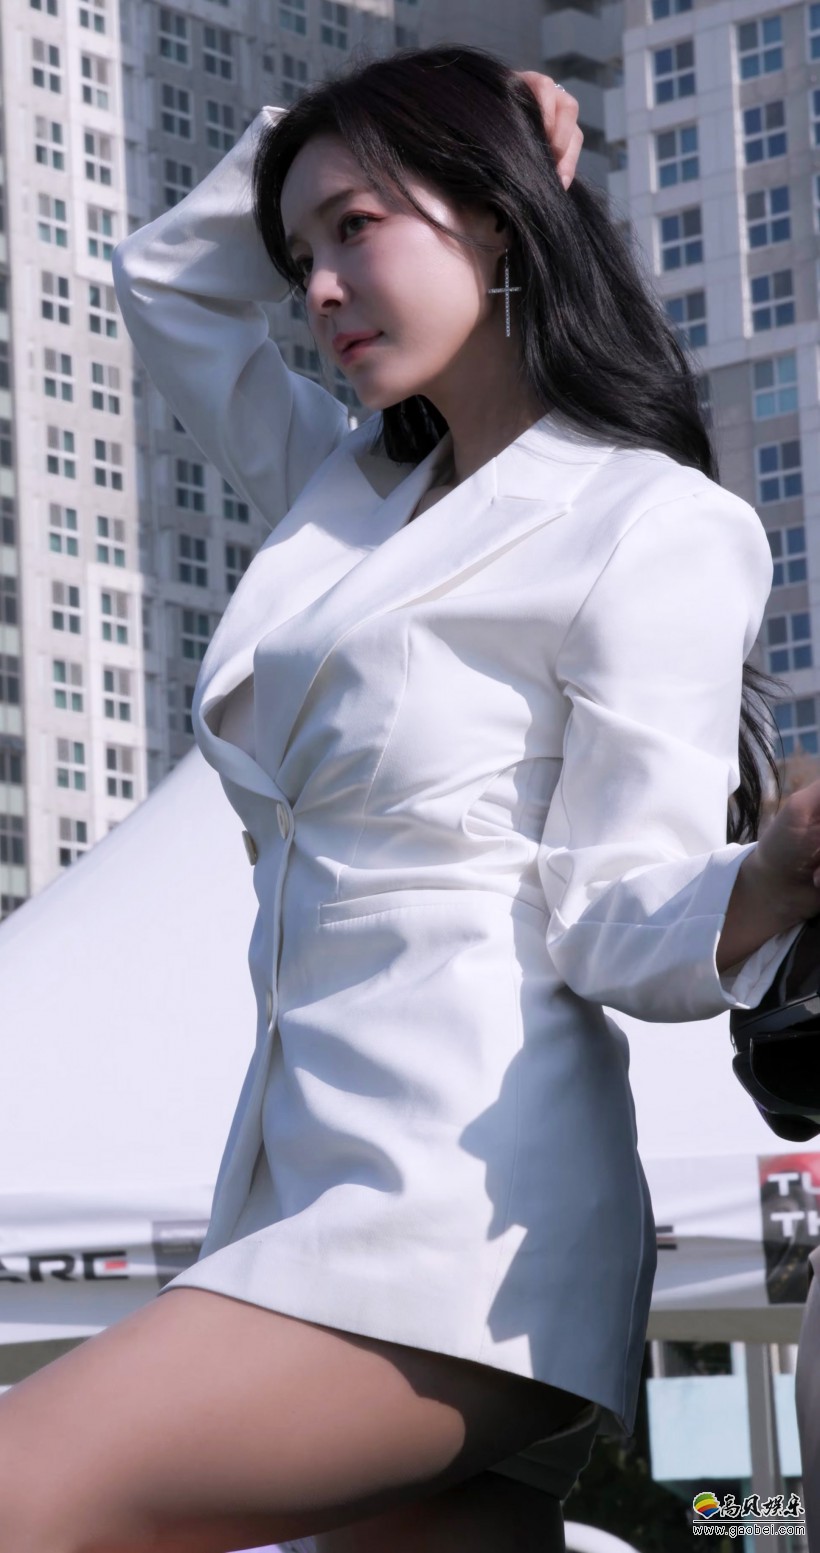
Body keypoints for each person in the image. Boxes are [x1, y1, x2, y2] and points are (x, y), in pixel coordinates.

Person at [1, 42, 817, 1553]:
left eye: (357, 228)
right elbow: (166, 285)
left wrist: (762, 879)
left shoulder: (650, 522)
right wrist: (338, 139)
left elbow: (610, 915)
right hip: (299, 1187)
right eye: (299, 252)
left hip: (460, 1220)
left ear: (498, 214)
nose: (318, 288)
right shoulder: (345, 504)